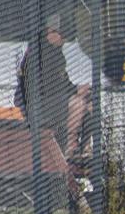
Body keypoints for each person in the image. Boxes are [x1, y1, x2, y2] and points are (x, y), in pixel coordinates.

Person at [18, 14, 90, 157]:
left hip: (52, 99)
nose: (64, 40)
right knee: (78, 103)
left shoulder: (56, 52)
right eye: (62, 35)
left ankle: (86, 149)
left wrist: (78, 89)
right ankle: (71, 146)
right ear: (50, 32)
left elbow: (62, 81)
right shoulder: (41, 52)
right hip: (37, 103)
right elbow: (51, 85)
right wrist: (75, 91)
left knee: (90, 102)